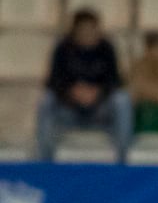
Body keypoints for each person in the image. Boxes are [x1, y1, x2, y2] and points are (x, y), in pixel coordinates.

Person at [36, 10, 132, 162]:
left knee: (122, 99)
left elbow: (115, 81)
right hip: (70, 111)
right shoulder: (63, 49)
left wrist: (97, 93)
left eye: (91, 29)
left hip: (100, 113)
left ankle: (122, 159)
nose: (87, 33)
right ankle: (45, 161)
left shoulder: (106, 49)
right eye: (82, 29)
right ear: (74, 30)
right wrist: (72, 92)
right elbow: (53, 82)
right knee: (46, 100)